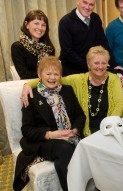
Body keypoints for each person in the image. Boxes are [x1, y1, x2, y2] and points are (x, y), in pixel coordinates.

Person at [13, 56, 86, 191]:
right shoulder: (31, 96)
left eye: (56, 74)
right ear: (39, 74)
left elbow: (80, 115)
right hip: (44, 140)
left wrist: (74, 131)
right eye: (48, 73)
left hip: (69, 136)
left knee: (82, 149)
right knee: (65, 149)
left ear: (60, 75)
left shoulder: (67, 90)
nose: (52, 77)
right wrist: (52, 134)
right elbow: (27, 129)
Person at [22, 46, 123, 136]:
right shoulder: (78, 79)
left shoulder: (114, 79)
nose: (100, 66)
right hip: (89, 130)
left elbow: (119, 105)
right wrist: (28, 85)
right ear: (89, 65)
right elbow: (55, 79)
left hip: (111, 127)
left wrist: (109, 126)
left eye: (104, 63)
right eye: (96, 63)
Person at [58, 0, 110, 76]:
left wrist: (112, 64)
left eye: (91, 4)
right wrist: (89, 66)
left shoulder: (96, 19)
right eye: (85, 2)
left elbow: (103, 43)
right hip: (71, 71)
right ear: (77, 1)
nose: (87, 7)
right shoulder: (65, 22)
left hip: (92, 69)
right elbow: (67, 52)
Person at [11, 10, 55, 79]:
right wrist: (46, 76)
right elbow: (24, 74)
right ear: (27, 24)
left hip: (50, 84)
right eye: (36, 23)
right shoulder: (17, 47)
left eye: (43, 25)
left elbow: (54, 71)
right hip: (30, 86)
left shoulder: (48, 48)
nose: (40, 28)